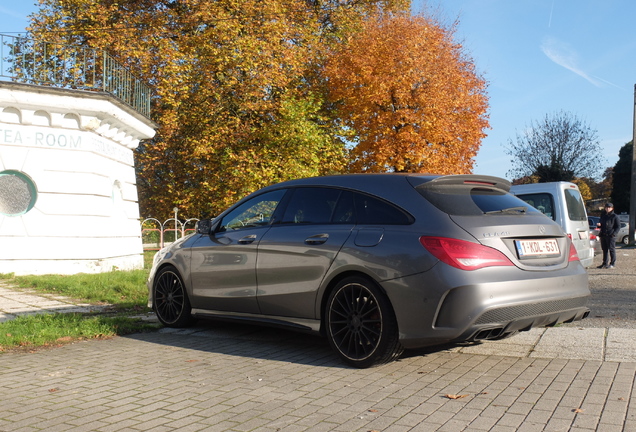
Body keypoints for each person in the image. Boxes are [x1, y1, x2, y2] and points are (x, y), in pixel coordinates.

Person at [597, 202, 621, 269]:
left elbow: (618, 226)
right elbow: (602, 224)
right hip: (603, 234)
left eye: (609, 207)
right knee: (604, 250)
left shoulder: (615, 216)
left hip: (611, 235)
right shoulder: (603, 215)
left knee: (611, 249)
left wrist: (614, 234)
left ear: (612, 208)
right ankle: (605, 263)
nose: (607, 209)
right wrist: (599, 225)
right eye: (606, 207)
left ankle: (612, 263)